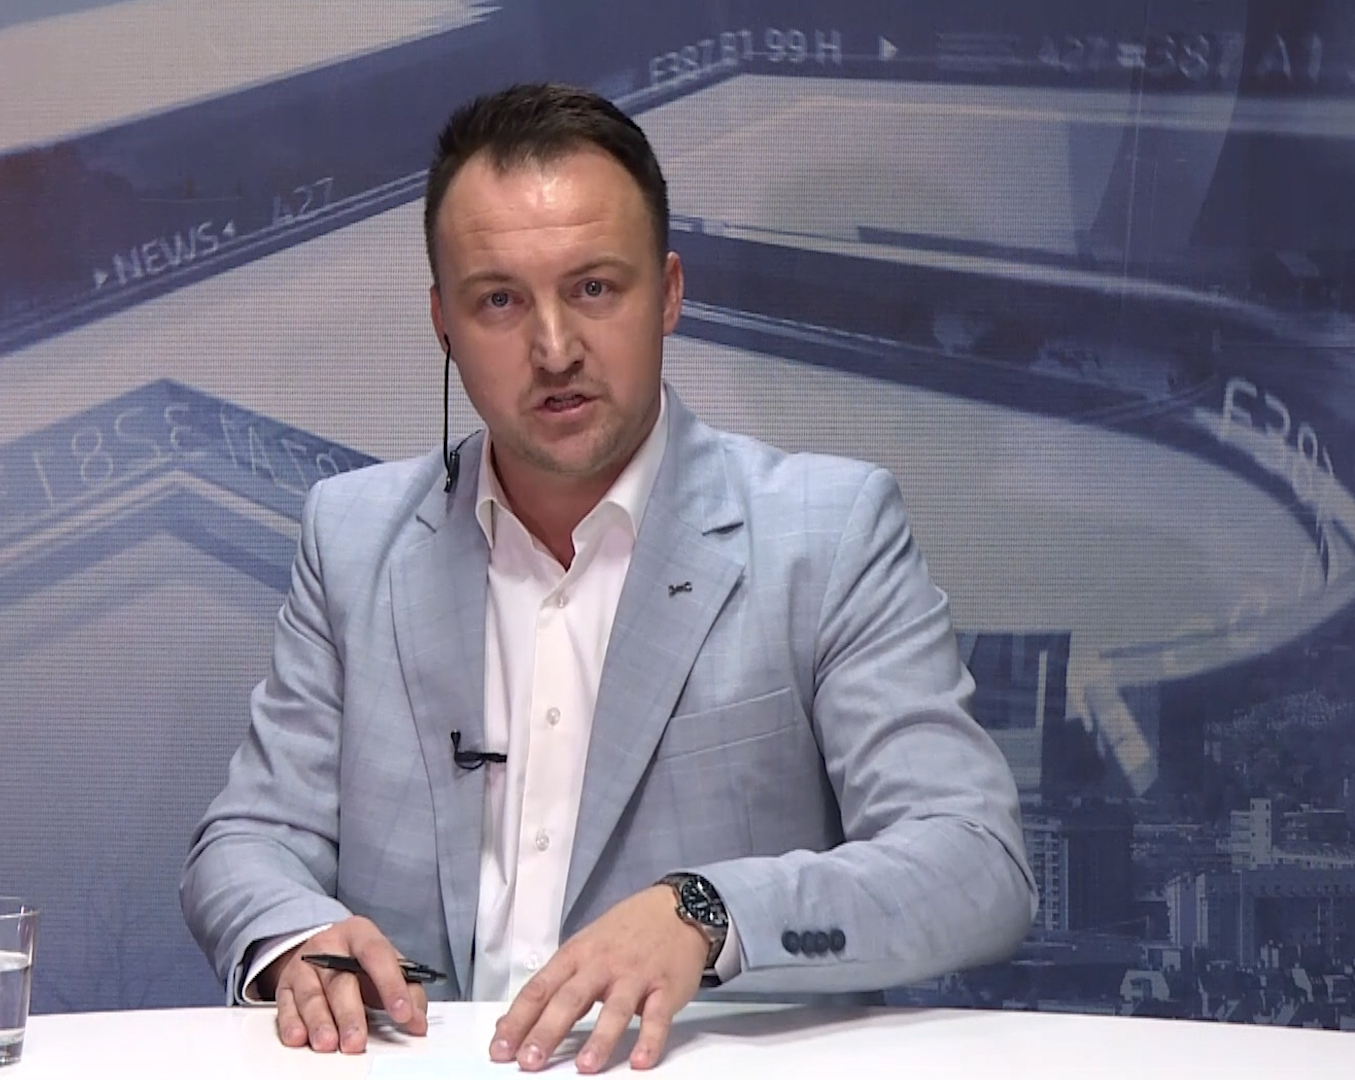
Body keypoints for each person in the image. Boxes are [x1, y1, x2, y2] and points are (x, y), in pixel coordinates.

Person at [181, 82, 1035, 1073]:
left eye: (593, 289)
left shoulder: (826, 533)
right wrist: (295, 937)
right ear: (443, 322)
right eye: (500, 301)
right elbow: (247, 841)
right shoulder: (351, 535)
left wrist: (707, 912)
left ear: (667, 293)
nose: (554, 350)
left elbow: (974, 862)